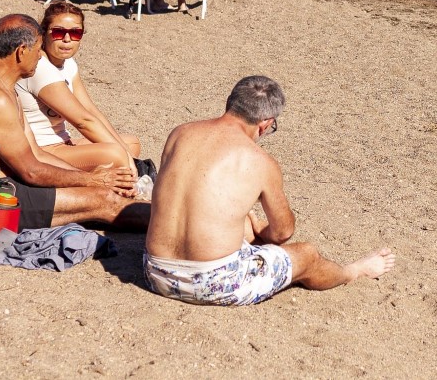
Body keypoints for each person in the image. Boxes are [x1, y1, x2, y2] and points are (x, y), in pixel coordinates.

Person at [144, 75, 395, 307]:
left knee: (240, 225)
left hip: (156, 273)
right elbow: (283, 232)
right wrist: (263, 229)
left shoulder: (180, 133)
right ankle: (355, 271)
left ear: (230, 103)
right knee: (307, 255)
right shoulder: (260, 161)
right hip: (213, 283)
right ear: (265, 124)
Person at [0, 14, 146, 230]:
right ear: (21, 52)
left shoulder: (5, 88)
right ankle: (176, 223)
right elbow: (32, 171)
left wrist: (87, 177)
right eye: (38, 49)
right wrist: (93, 181)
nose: (40, 56)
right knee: (107, 201)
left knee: (100, 192)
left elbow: (37, 154)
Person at [15, 2, 141, 175]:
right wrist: (124, 157)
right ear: (44, 34)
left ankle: (96, 177)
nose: (67, 40)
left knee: (130, 144)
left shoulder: (68, 64)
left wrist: (123, 151)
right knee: (117, 154)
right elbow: (82, 121)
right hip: (42, 149)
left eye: (75, 33)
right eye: (59, 32)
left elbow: (90, 110)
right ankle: (94, 181)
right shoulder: (40, 67)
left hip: (63, 142)